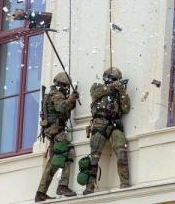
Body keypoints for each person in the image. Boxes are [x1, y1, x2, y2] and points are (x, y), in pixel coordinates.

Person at [83, 67, 131, 195]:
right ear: (107, 79)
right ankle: (89, 186)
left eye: (118, 80)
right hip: (99, 124)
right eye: (115, 79)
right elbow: (95, 94)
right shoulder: (97, 87)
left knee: (122, 151)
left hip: (114, 124)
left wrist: (122, 92)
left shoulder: (118, 92)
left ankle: (125, 183)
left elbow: (125, 108)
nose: (117, 82)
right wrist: (110, 87)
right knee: (94, 158)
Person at [35, 72, 79, 202]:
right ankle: (63, 186)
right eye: (65, 86)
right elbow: (61, 107)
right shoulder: (56, 95)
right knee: (67, 152)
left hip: (53, 131)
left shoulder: (54, 94)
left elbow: (66, 109)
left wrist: (72, 100)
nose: (66, 88)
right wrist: (71, 99)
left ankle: (41, 192)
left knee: (53, 162)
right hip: (56, 131)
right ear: (60, 84)